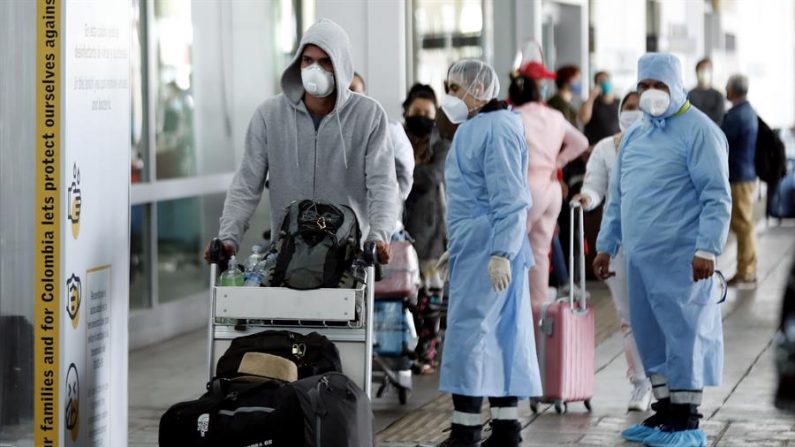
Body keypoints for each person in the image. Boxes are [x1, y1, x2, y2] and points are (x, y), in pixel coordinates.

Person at [594, 52, 731, 447]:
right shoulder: (636, 135)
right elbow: (619, 198)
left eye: (659, 86)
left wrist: (707, 248)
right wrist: (606, 245)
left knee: (684, 334)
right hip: (639, 260)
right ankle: (665, 410)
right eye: (643, 87)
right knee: (649, 333)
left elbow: (716, 197)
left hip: (682, 261)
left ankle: (687, 418)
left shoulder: (699, 132)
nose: (650, 94)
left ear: (676, 86)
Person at [209, 19, 398, 264]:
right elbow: (246, 184)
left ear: (341, 64)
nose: (314, 68)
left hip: (346, 257)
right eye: (308, 60)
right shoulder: (269, 115)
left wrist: (379, 236)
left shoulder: (369, 115)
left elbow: (383, 185)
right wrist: (228, 238)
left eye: (325, 61)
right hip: (287, 255)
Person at [432, 59, 541, 447]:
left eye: (455, 89)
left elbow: (511, 201)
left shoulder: (496, 129)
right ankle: (506, 429)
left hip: (490, 249)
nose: (450, 97)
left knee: (471, 338)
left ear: (478, 89)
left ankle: (466, 432)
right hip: (476, 247)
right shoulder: (477, 127)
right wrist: (456, 247)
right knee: (497, 337)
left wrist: (500, 252)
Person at [572, 91, 653, 411]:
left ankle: (665, 381)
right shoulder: (606, 148)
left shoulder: (657, 146)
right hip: (617, 241)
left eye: (638, 108)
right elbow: (595, 185)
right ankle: (640, 383)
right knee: (628, 315)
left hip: (654, 240)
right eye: (628, 108)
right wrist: (587, 199)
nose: (633, 113)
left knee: (657, 313)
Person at [509, 65, 589, 312]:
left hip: (524, 188)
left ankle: (513, 311)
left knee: (509, 248)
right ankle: (537, 313)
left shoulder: (512, 117)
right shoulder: (554, 116)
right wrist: (558, 162)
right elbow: (581, 142)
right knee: (541, 252)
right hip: (551, 187)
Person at [401, 83, 450, 290]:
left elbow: (433, 176)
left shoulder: (443, 144)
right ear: (407, 111)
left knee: (431, 304)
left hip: (432, 236)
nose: (421, 116)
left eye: (427, 113)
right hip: (399, 233)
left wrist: (403, 172)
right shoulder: (396, 139)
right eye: (416, 111)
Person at [350, 72, 415, 202]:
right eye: (344, 90)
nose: (349, 95)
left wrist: (389, 204)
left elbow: (405, 174)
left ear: (365, 94)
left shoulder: (390, 128)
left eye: (353, 90)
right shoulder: (331, 130)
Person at [721, 74, 759, 288]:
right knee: (744, 224)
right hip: (744, 174)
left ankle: (746, 271)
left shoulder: (738, 115)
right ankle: (746, 269)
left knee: (743, 225)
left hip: (739, 176)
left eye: (727, 86)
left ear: (733, 90)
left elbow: (720, 139)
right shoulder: (746, 111)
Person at [580, 70, 621, 145]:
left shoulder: (619, 102)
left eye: (606, 80)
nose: (604, 83)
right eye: (601, 82)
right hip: (594, 146)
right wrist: (591, 97)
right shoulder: (591, 102)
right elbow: (583, 119)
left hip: (615, 146)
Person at [688, 58, 725, 125]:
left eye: (708, 70)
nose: (705, 72)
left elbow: (719, 120)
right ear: (697, 72)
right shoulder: (689, 95)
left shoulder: (718, 96)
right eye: (702, 69)